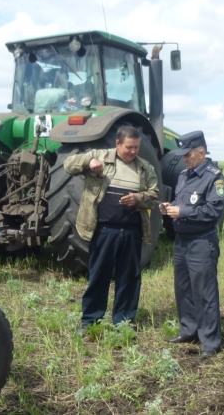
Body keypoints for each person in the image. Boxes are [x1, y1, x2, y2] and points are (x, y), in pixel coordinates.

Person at [63, 125, 159, 336]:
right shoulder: (99, 157)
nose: (133, 152)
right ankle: (90, 321)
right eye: (128, 147)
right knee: (99, 276)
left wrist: (138, 198)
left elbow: (154, 194)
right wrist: (89, 161)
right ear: (117, 144)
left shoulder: (145, 168)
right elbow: (68, 165)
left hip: (132, 232)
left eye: (136, 147)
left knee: (129, 278)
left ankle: (123, 323)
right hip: (105, 231)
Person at [159, 130, 224, 361]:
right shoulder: (184, 175)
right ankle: (188, 331)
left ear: (201, 151)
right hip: (182, 242)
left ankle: (210, 342)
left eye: (188, 154)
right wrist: (170, 207)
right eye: (183, 155)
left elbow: (214, 211)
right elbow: (182, 202)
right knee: (184, 290)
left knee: (204, 293)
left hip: (201, 241)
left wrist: (183, 212)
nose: (184, 159)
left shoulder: (214, 176)